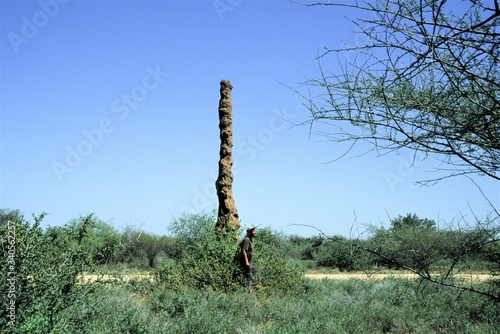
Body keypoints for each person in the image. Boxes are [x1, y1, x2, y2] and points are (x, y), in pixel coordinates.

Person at [240, 226, 257, 293]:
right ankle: (248, 290)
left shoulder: (250, 239)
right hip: (246, 261)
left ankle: (252, 287)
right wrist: (246, 261)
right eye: (253, 231)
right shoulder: (246, 239)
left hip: (249, 261)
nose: (255, 232)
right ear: (250, 232)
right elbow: (243, 250)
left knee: (254, 271)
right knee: (249, 275)